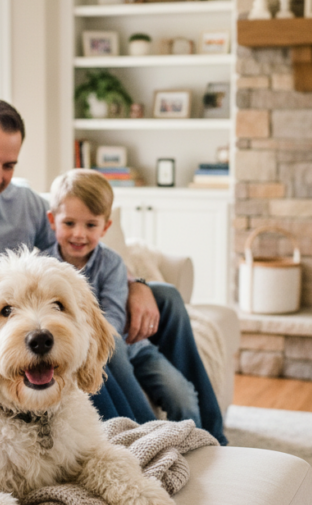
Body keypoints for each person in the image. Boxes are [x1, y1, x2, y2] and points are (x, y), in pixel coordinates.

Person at [0, 99, 226, 443]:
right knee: (99, 332)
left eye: (8, 165)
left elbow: (76, 247)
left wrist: (135, 282)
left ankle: (213, 434)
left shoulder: (26, 204)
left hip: (44, 307)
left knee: (166, 296)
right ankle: (143, 440)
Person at [45, 169, 230, 441]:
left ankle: (199, 445)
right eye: (69, 223)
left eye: (90, 225)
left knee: (183, 397)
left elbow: (115, 322)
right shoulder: (46, 268)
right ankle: (150, 436)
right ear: (52, 221)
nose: (79, 234)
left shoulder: (112, 264)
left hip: (135, 348)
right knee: (109, 343)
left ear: (106, 227)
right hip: (100, 351)